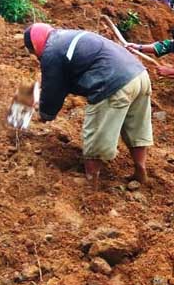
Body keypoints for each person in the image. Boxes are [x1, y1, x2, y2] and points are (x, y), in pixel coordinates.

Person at [24, 23, 153, 187]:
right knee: (136, 128)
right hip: (140, 75)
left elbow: (53, 89)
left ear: (35, 44)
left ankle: (91, 181)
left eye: (33, 52)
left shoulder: (51, 52)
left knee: (96, 133)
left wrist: (45, 114)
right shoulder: (66, 37)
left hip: (112, 82)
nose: (36, 57)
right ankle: (140, 170)